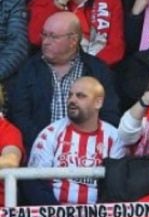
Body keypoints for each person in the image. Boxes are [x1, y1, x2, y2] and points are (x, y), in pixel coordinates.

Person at [8, 11, 119, 148]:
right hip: (40, 151)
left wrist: (85, 144)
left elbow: (110, 114)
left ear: (73, 40)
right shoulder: (28, 69)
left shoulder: (97, 70)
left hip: (88, 152)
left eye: (53, 37)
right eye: (44, 35)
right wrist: (46, 144)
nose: (46, 42)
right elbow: (20, 116)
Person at [26, 76, 125, 206]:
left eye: (81, 96)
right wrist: (59, 212)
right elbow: (35, 182)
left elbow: (116, 185)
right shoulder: (50, 133)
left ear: (98, 103)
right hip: (55, 214)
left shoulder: (113, 136)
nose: (72, 100)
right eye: (70, 95)